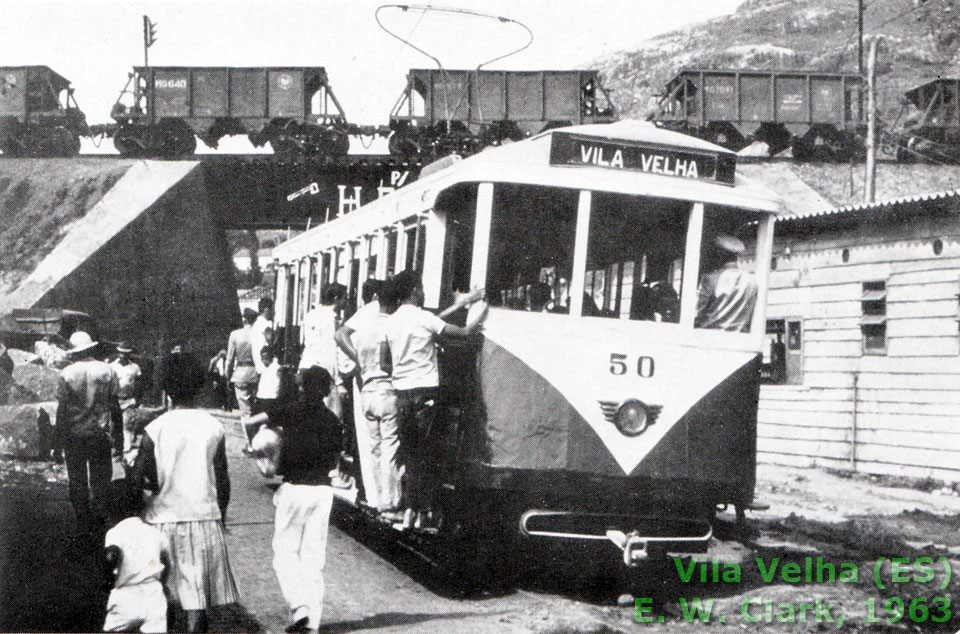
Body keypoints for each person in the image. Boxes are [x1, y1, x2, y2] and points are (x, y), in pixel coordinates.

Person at [132, 352, 239, 633]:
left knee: (161, 597)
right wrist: (221, 516)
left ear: (166, 388)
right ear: (201, 386)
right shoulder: (213, 427)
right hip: (205, 519)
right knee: (197, 600)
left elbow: (139, 478)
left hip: (161, 521)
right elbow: (223, 479)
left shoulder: (155, 429)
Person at [383, 271, 487, 529]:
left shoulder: (391, 322)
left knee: (409, 454)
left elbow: (385, 361)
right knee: (428, 455)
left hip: (402, 397)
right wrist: (482, 313)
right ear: (414, 291)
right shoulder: (424, 318)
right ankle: (423, 511)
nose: (423, 292)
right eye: (420, 288)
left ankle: (408, 508)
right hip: (426, 396)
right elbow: (462, 332)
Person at [268, 367, 342, 633]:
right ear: (326, 390)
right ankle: (313, 623)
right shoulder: (333, 420)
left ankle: (299, 607)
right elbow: (334, 459)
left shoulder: (291, 411)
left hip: (294, 488)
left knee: (285, 552)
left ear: (301, 388)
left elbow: (258, 421)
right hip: (322, 491)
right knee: (314, 558)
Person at [335, 279, 402, 518]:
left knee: (370, 445)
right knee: (389, 446)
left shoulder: (365, 322)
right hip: (386, 388)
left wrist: (360, 362)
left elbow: (341, 334)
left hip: (366, 390)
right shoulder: (391, 321)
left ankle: (373, 497)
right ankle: (389, 501)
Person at [56, 331, 121, 535]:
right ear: (91, 348)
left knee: (77, 480)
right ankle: (100, 522)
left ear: (74, 351)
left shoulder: (66, 374)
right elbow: (115, 406)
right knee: (101, 480)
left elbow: (62, 410)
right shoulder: (107, 371)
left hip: (75, 435)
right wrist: (118, 436)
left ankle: (82, 521)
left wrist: (57, 441)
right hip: (99, 435)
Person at [102, 485, 167, 633]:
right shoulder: (154, 532)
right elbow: (165, 559)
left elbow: (111, 556)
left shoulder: (115, 532)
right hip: (154, 594)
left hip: (126, 594)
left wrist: (107, 582)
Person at [299, 284, 347, 420]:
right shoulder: (331, 319)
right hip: (323, 374)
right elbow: (330, 350)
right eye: (345, 298)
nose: (346, 302)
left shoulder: (311, 315)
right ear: (337, 299)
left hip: (306, 369)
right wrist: (339, 382)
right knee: (332, 418)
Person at [695, 233, 758, 333]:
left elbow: (696, 313)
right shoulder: (752, 281)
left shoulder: (711, 279)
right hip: (739, 341)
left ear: (719, 253)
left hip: (709, 339)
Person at [110, 342, 143, 467]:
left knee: (127, 425)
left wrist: (137, 399)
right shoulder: (112, 366)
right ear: (118, 353)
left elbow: (139, 385)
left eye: (126, 353)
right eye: (121, 353)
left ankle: (127, 453)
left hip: (129, 400)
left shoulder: (135, 368)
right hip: (115, 399)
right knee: (115, 426)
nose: (123, 356)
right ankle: (117, 452)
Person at [226, 308, 260, 429]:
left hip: (240, 374)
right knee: (257, 411)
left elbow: (229, 360)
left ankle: (249, 441)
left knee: (245, 412)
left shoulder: (234, 335)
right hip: (256, 374)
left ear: (244, 319)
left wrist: (227, 376)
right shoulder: (258, 334)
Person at [251, 297, 275, 375]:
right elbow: (271, 339)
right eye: (272, 309)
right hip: (267, 366)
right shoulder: (264, 324)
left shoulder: (256, 324)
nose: (274, 312)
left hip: (259, 366)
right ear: (266, 309)